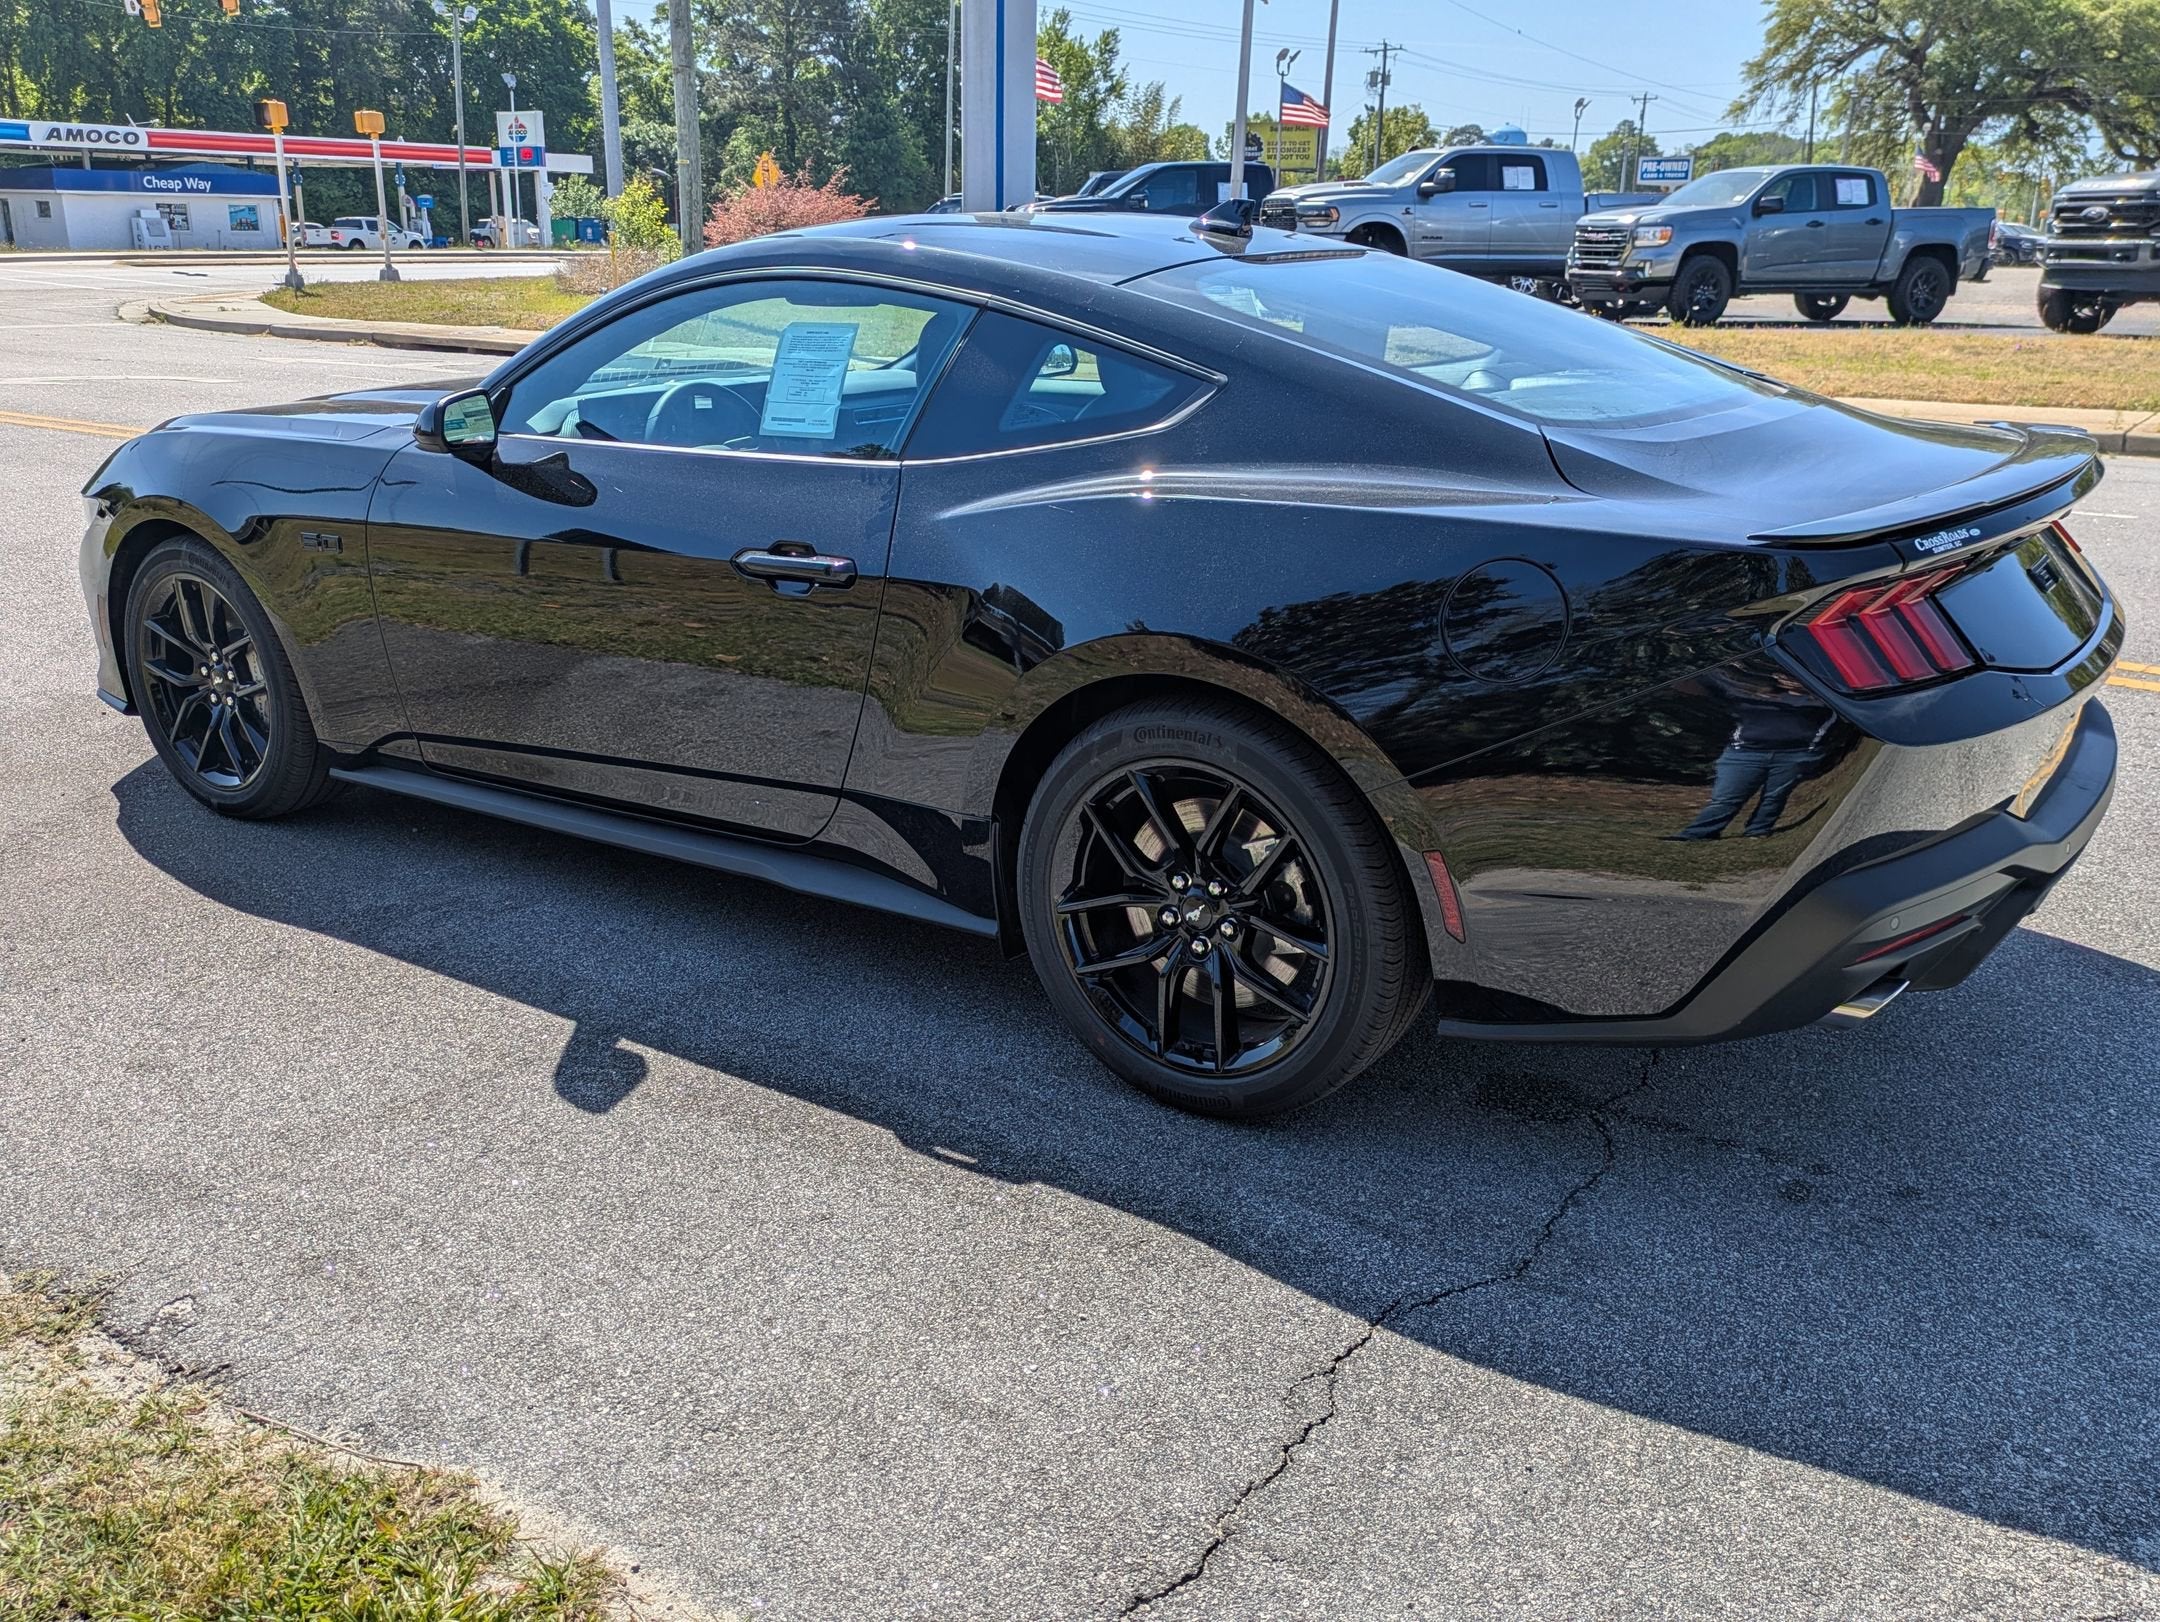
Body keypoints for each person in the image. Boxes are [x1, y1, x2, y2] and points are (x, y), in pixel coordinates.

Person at [1670, 666, 1837, 840]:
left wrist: (1809, 688)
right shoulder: (1751, 695)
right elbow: (1695, 685)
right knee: (1726, 798)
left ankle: (1758, 830)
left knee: (1775, 796)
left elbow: (1838, 710)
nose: (1787, 679)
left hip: (1796, 753)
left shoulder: (1822, 700)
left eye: (1793, 676)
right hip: (1745, 753)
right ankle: (1696, 834)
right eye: (1782, 675)